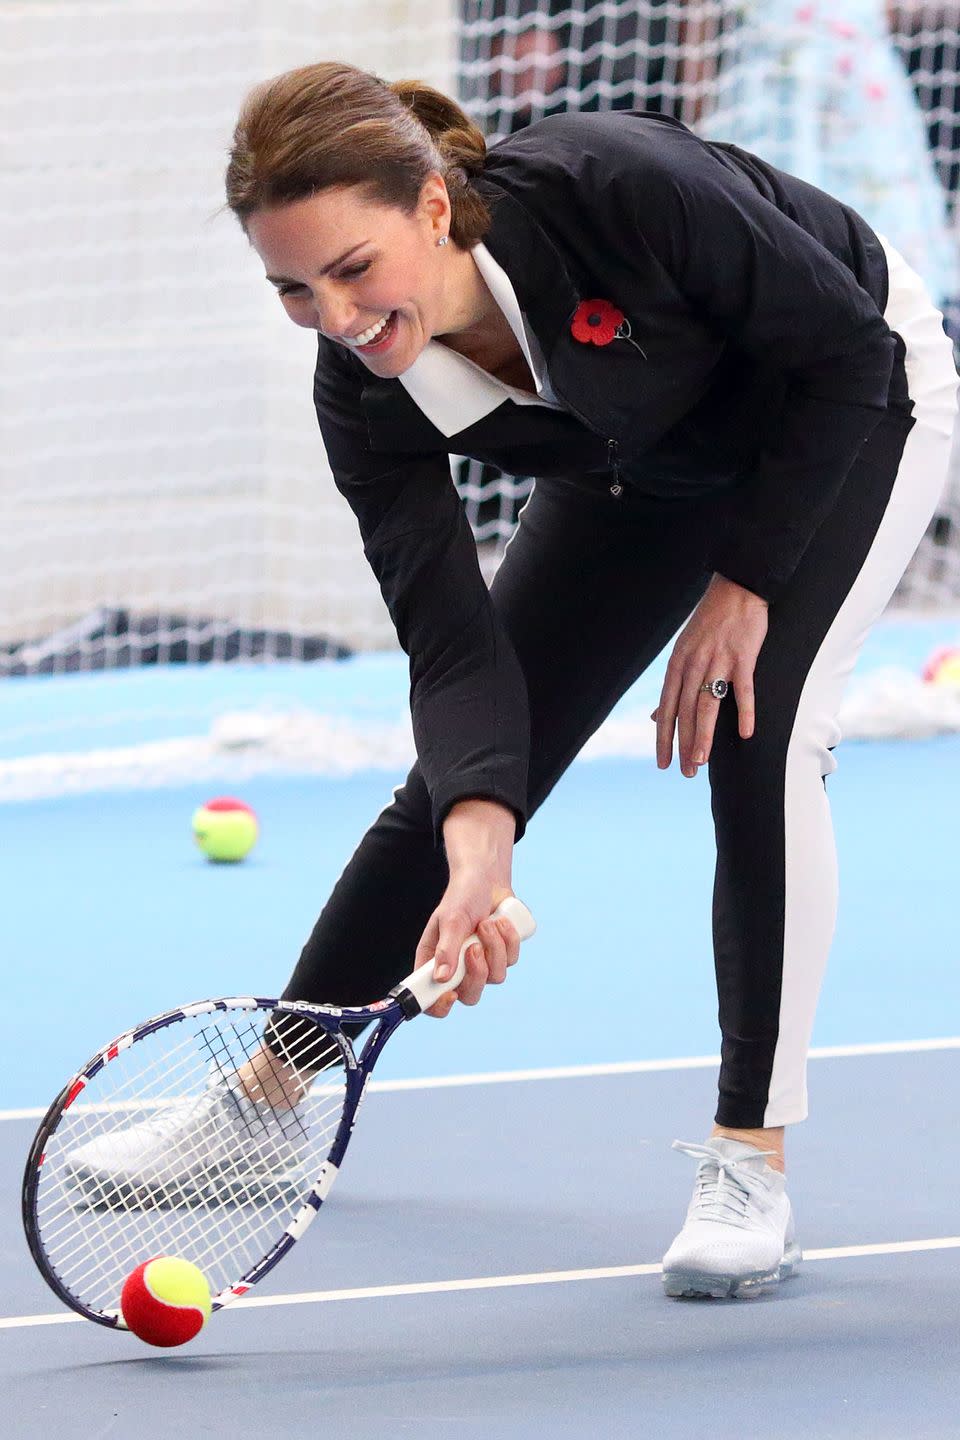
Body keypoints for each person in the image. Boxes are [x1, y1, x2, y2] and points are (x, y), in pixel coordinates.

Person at [74, 60, 958, 1299]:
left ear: (434, 209)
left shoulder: (624, 188)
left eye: (351, 268)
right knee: (447, 784)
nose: (333, 315)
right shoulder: (367, 396)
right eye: (291, 288)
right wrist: (479, 842)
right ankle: (271, 1091)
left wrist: (746, 581)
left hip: (848, 401)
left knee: (758, 726)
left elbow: (845, 353)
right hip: (642, 460)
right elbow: (455, 652)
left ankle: (750, 1157)